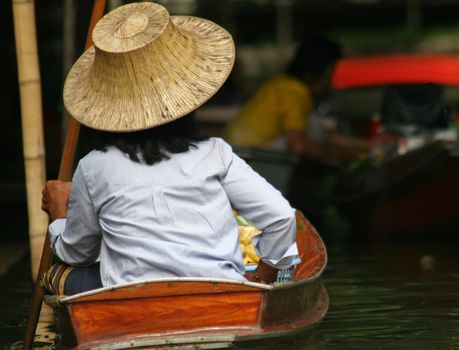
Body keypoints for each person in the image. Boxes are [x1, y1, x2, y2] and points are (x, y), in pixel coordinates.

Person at [40, 2, 297, 295]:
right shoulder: (215, 152)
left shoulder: (94, 166)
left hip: (131, 299)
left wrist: (60, 216)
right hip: (220, 293)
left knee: (55, 274)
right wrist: (263, 275)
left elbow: (77, 254)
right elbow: (281, 218)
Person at [224, 37, 371, 162]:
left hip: (238, 155)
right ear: (314, 72)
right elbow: (298, 145)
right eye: (330, 73)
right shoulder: (294, 92)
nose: (330, 81)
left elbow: (321, 134)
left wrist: (367, 146)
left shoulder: (281, 85)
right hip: (252, 160)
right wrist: (347, 155)